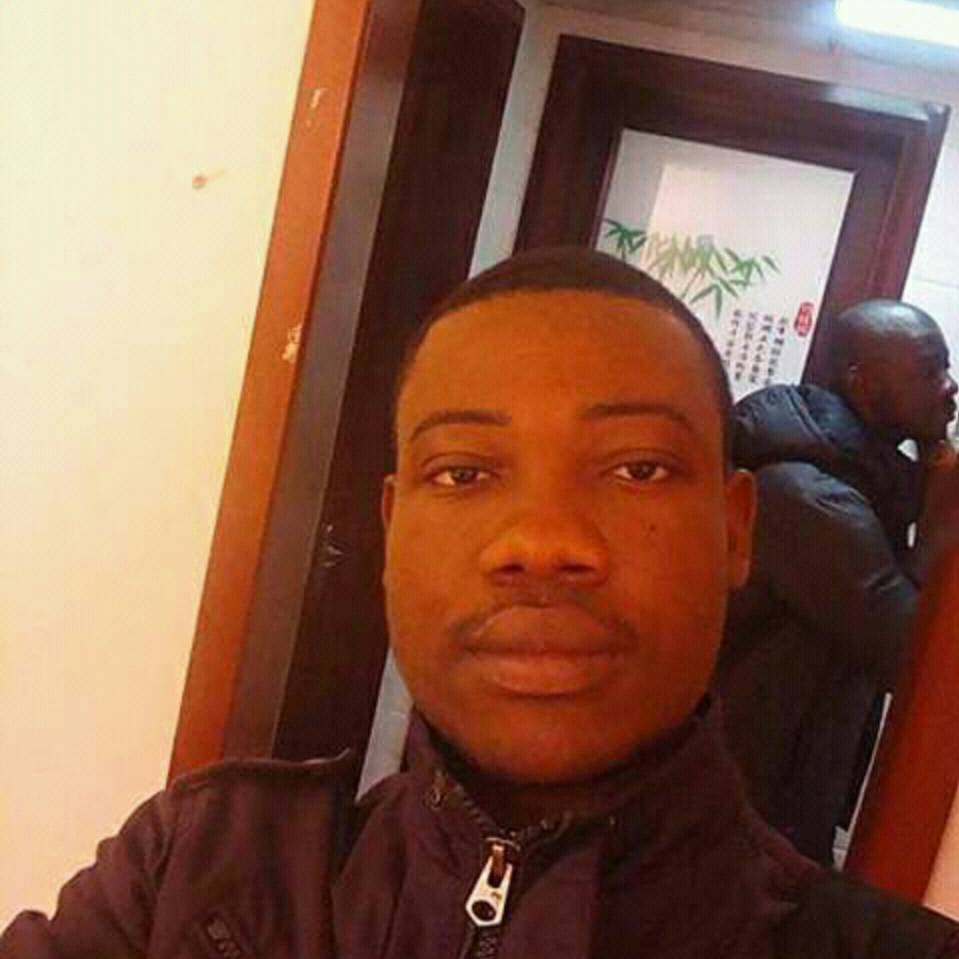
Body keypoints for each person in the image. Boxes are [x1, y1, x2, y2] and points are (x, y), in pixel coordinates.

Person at [3, 251, 957, 958]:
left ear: (735, 530)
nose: (541, 541)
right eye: (462, 471)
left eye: (636, 467)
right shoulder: (193, 870)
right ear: (390, 526)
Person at [717, 300, 958, 865]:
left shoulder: (857, 479)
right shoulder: (811, 500)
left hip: (772, 800)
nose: (950, 387)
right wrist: (942, 525)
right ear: (862, 383)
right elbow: (908, 651)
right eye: (930, 371)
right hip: (745, 810)